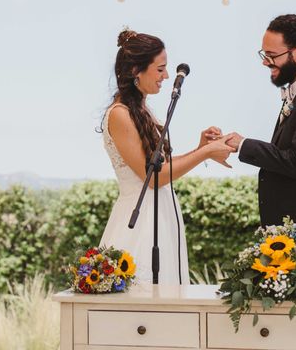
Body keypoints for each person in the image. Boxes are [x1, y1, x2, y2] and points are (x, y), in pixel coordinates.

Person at [99, 28, 232, 285]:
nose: (167, 76)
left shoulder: (141, 111)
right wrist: (205, 153)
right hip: (140, 224)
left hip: (160, 214)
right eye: (160, 69)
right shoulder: (119, 114)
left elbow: (160, 167)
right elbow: (152, 178)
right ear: (136, 70)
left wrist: (199, 148)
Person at [225, 14, 296, 257]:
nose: (265, 62)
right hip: (291, 233)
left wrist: (244, 145)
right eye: (264, 54)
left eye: (272, 55)